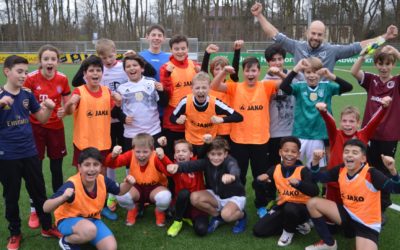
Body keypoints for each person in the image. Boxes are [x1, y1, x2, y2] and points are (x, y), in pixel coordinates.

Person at [0, 55, 61, 250]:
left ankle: (46, 226)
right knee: (11, 196)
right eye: (19, 71)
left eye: (26, 72)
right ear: (7, 71)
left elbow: (41, 118)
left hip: (30, 152)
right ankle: (15, 233)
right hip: (7, 155)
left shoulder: (27, 94)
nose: (23, 76)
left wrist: (49, 109)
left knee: (39, 192)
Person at [250, 2, 398, 74]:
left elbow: (360, 46)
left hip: (323, 104)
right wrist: (259, 16)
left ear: (324, 35)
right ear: (307, 33)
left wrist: (385, 37)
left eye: (319, 34)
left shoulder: (333, 51)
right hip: (300, 103)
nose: (315, 37)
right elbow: (274, 34)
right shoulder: (297, 46)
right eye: (313, 33)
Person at [211, 57, 278, 218]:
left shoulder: (267, 85)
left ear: (259, 71)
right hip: (238, 140)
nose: (250, 73)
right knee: (238, 176)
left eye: (254, 70)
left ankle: (260, 204)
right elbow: (214, 86)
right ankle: (238, 204)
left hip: (260, 140)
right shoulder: (235, 87)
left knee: (260, 176)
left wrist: (279, 72)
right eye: (247, 70)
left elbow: (287, 85)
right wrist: (223, 72)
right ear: (243, 72)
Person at [305, 139, 400, 250]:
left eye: (355, 153)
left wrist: (393, 170)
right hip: (347, 214)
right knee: (312, 203)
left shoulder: (371, 174)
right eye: (346, 152)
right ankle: (329, 243)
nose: (349, 155)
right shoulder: (341, 169)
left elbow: (396, 189)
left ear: (363, 159)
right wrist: (316, 161)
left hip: (367, 224)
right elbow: (317, 178)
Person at [64, 55, 122, 220]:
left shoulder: (107, 92)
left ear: (102, 73)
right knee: (83, 178)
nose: (95, 73)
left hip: (103, 143)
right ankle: (81, 208)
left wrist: (118, 102)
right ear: (85, 73)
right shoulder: (79, 92)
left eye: (98, 70)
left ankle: (101, 207)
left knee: (100, 177)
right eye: (91, 70)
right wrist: (69, 103)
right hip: (83, 144)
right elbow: (68, 112)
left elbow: (115, 110)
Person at [43, 147, 136, 250]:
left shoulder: (102, 180)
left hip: (92, 220)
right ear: (79, 167)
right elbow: (46, 208)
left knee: (110, 247)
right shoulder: (72, 185)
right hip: (67, 220)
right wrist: (63, 197)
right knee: (89, 230)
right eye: (87, 165)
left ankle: (85, 235)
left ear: (100, 167)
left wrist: (128, 184)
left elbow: (120, 190)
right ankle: (67, 241)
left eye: (95, 164)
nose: (91, 169)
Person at [23, 44, 71, 229]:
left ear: (58, 61)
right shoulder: (30, 79)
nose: (50, 62)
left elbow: (67, 104)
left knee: (56, 168)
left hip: (56, 129)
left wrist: (64, 111)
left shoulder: (63, 79)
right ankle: (35, 208)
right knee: (34, 170)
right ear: (40, 61)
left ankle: (59, 204)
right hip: (35, 129)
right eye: (46, 59)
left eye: (53, 59)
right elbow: (23, 102)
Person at [350, 45, 400, 213]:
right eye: (380, 63)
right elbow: (354, 72)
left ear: (393, 65)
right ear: (376, 64)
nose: (384, 67)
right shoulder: (372, 80)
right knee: (368, 166)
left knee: (385, 167)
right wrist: (364, 55)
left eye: (388, 64)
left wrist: (396, 53)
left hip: (389, 135)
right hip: (369, 133)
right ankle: (368, 195)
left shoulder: (397, 82)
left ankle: (383, 202)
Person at [315, 96, 392, 204]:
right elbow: (330, 123)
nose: (347, 124)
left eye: (351, 121)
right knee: (331, 216)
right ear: (340, 122)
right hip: (334, 183)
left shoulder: (363, 134)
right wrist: (323, 111)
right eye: (344, 121)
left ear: (358, 123)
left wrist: (384, 107)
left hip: (356, 184)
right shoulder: (335, 135)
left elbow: (374, 121)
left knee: (352, 212)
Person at [280, 57, 353, 168]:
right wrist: (296, 69)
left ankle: (318, 185)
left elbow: (349, 87)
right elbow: (284, 87)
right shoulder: (299, 87)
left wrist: (331, 76)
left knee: (315, 167)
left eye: (315, 72)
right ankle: (289, 184)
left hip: (319, 135)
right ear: (303, 73)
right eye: (308, 72)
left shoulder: (327, 87)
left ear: (321, 73)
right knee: (292, 164)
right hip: (300, 133)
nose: (311, 75)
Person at [167, 137, 247, 234]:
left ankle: (242, 216)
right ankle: (217, 216)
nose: (216, 158)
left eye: (219, 154)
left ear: (225, 154)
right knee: (194, 198)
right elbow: (192, 165)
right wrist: (177, 166)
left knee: (227, 216)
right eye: (213, 154)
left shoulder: (230, 161)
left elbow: (234, 168)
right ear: (208, 154)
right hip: (216, 195)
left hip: (234, 197)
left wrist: (232, 176)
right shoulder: (206, 162)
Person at [253, 136, 319, 247]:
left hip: (302, 208)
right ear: (280, 152)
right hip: (283, 206)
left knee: (291, 207)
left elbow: (315, 191)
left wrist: (299, 184)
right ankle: (298, 225)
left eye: (293, 152)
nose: (289, 154)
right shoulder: (275, 168)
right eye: (286, 151)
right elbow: (256, 185)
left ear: (298, 154)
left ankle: (288, 233)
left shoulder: (303, 170)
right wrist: (259, 180)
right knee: (259, 230)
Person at [104, 133, 172, 227]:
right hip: (136, 187)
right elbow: (111, 164)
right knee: (121, 194)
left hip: (155, 188)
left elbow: (169, 172)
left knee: (165, 197)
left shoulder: (156, 156)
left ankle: (159, 211)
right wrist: (113, 155)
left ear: (152, 150)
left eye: (145, 152)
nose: (141, 155)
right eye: (138, 151)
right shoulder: (130, 154)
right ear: (133, 149)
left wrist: (163, 158)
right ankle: (132, 208)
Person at [170, 72, 243, 154]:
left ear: (209, 89)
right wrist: (177, 120)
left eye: (204, 88)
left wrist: (222, 119)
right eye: (197, 88)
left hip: (209, 143)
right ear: (192, 88)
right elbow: (172, 117)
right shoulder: (185, 101)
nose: (201, 91)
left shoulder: (215, 103)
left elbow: (238, 117)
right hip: (191, 143)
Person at [113, 55, 168, 158]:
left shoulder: (151, 83)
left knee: (155, 164)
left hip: (153, 132)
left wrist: (162, 92)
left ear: (142, 68)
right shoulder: (121, 88)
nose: (132, 68)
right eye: (128, 66)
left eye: (135, 65)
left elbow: (163, 104)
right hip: (131, 134)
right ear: (125, 70)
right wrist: (123, 118)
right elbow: (115, 112)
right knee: (131, 166)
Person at [155, 138, 209, 237]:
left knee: (201, 230)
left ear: (191, 154)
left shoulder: (197, 163)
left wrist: (207, 143)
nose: (180, 154)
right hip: (180, 203)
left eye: (184, 151)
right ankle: (178, 221)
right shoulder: (174, 166)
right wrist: (162, 154)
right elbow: (167, 165)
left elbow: (203, 154)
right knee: (184, 193)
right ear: (175, 156)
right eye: (178, 152)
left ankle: (188, 217)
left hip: (197, 205)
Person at [160, 34, 200, 158]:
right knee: (173, 156)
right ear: (171, 50)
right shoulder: (166, 67)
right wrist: (167, 74)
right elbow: (166, 91)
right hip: (173, 118)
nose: (180, 51)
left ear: (187, 49)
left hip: (193, 117)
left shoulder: (194, 65)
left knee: (192, 155)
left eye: (183, 48)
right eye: (176, 49)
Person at [201, 40, 242, 139]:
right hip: (211, 129)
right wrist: (207, 54)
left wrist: (237, 51)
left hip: (228, 129)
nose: (220, 71)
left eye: (223, 68)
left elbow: (235, 71)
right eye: (217, 69)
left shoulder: (230, 84)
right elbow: (203, 73)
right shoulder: (208, 85)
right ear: (212, 71)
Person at [263, 44, 294, 167]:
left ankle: (289, 187)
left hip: (291, 130)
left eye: (280, 59)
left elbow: (292, 86)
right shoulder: (264, 81)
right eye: (273, 60)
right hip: (273, 131)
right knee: (274, 166)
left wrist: (281, 75)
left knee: (291, 164)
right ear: (268, 62)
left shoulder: (293, 75)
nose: (277, 63)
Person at [139, 24, 171, 126]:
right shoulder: (139, 56)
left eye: (159, 35)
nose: (156, 38)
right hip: (145, 105)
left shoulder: (169, 57)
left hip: (163, 104)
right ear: (147, 37)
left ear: (164, 38)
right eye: (153, 35)